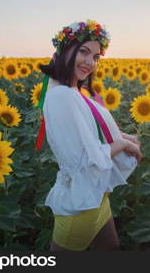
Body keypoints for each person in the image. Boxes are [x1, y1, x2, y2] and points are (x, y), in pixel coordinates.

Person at [37, 20, 142, 251]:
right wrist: (122, 144)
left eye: (96, 56)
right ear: (65, 49)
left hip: (96, 193)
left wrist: (122, 136)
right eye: (84, 52)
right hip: (79, 203)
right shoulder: (61, 96)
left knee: (110, 247)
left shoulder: (73, 89)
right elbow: (83, 161)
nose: (90, 62)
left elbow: (87, 129)